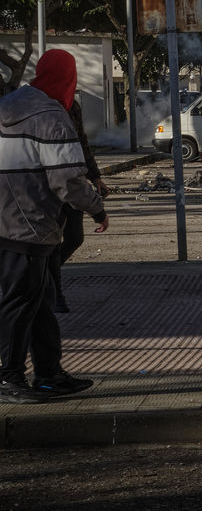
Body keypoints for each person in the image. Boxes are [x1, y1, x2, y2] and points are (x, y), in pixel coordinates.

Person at [0, 49, 110, 404]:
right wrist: (97, 209)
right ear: (69, 78)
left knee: (39, 302)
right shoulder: (52, 116)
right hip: (30, 225)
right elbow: (68, 181)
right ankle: (9, 378)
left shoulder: (8, 104)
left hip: (10, 221)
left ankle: (49, 373)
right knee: (20, 303)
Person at [50, 96, 108, 313]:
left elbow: (82, 142)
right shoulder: (40, 103)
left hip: (72, 179)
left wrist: (95, 177)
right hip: (47, 183)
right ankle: (54, 294)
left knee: (75, 237)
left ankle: (46, 275)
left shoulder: (72, 105)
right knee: (51, 243)